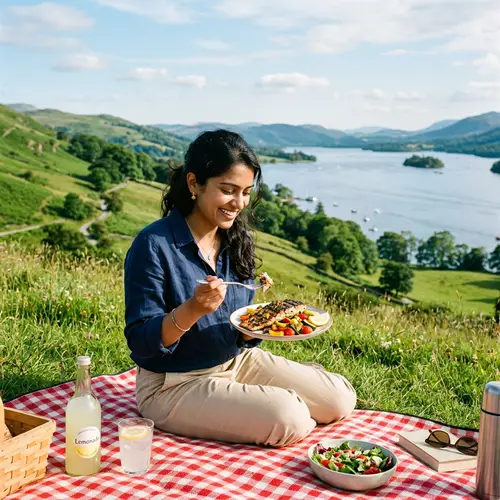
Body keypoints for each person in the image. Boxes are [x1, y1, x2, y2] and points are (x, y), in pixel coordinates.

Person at [123, 130, 356, 448]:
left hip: (236, 361)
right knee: (290, 418)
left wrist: (256, 329)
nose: (239, 203)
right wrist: (193, 309)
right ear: (194, 183)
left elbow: (242, 329)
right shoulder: (153, 244)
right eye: (228, 190)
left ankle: (263, 402)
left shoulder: (234, 240)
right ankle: (271, 405)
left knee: (339, 399)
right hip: (173, 383)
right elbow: (141, 342)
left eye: (246, 192)